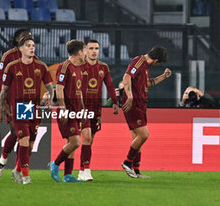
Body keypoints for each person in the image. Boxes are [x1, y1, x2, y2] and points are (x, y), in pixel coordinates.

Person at [0, 36, 53, 185]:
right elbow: (4, 91)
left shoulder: (41, 66)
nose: (32, 48)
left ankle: (17, 170)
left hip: (35, 107)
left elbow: (50, 87)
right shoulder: (12, 66)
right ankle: (26, 177)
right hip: (19, 107)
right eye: (28, 45)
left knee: (30, 145)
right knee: (24, 140)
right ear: (21, 48)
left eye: (33, 45)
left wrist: (49, 97)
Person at [121, 45, 171, 178]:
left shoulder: (145, 68)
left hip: (141, 104)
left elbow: (148, 84)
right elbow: (126, 77)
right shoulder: (138, 61)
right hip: (133, 104)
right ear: (155, 61)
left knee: (137, 138)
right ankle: (127, 162)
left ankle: (136, 170)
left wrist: (163, 76)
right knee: (144, 135)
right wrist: (130, 95)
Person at [0, 28, 36, 178]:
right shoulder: (8, 56)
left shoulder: (32, 57)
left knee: (26, 137)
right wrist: (3, 104)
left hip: (27, 102)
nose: (28, 39)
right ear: (17, 40)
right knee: (16, 132)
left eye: (29, 37)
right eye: (25, 37)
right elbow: (1, 82)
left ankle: (17, 168)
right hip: (11, 100)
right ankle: (3, 161)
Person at [78, 39, 119, 181]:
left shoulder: (103, 67)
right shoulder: (79, 66)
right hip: (81, 108)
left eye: (96, 48)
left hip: (96, 108)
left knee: (90, 140)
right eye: (91, 48)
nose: (94, 51)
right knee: (85, 137)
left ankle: (82, 170)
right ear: (85, 51)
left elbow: (110, 85)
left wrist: (114, 101)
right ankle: (86, 170)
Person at [48, 40, 86, 183]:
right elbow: (59, 88)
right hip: (67, 110)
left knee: (72, 141)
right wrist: (63, 108)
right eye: (85, 50)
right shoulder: (65, 66)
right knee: (76, 142)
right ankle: (55, 164)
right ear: (80, 52)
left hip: (76, 111)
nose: (86, 53)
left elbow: (79, 91)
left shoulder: (79, 68)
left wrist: (82, 109)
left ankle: (68, 175)